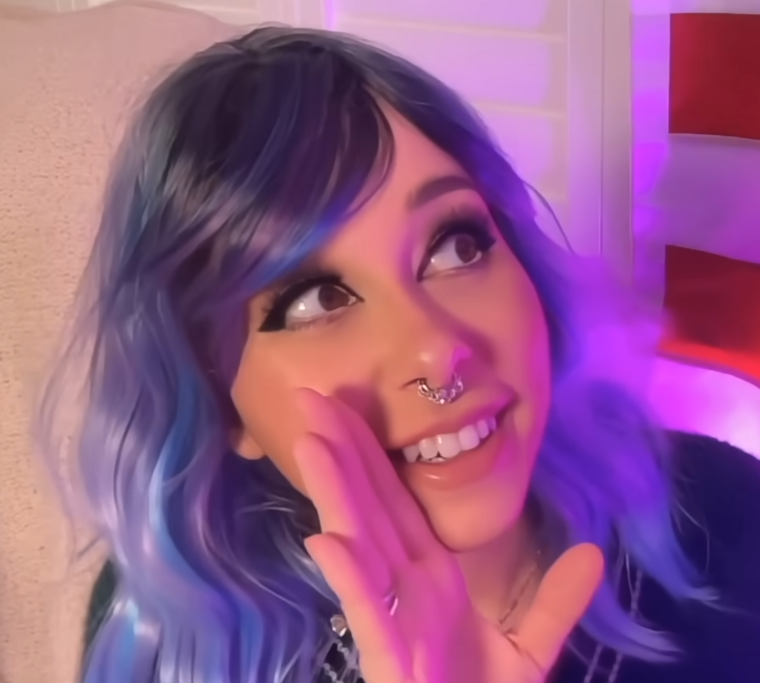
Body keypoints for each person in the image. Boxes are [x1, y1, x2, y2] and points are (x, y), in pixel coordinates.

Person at [36, 26, 760, 683]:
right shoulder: (162, 631)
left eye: (456, 246)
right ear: (222, 400)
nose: (438, 351)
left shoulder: (727, 519)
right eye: (316, 299)